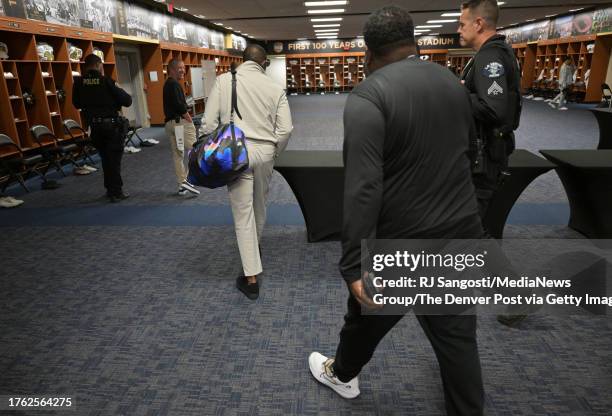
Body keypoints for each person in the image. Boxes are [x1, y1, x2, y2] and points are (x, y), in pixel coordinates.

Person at [308, 6, 485, 415]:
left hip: (403, 245)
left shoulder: (369, 95)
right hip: (460, 234)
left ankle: (343, 374)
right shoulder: (452, 82)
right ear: (415, 43)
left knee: (366, 318)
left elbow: (363, 188)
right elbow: (466, 153)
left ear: (368, 53)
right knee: (458, 342)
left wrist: (353, 263)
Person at [203, 44, 293, 300]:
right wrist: (274, 152)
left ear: (241, 61)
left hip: (235, 153)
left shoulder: (223, 81)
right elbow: (285, 129)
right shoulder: (275, 88)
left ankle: (251, 278)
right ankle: (254, 249)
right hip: (264, 152)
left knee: (243, 214)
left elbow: (208, 123)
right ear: (264, 63)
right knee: (260, 207)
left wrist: (213, 148)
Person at [458, 0, 522, 221]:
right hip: (490, 153)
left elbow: (494, 109)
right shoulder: (496, 52)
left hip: (484, 159)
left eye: (462, 24)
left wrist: (459, 93)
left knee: (471, 230)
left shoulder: (490, 56)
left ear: (478, 23)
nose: (458, 30)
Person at [73, 54, 132, 203]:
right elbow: (127, 100)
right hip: (111, 126)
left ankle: (109, 189)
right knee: (114, 160)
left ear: (86, 66)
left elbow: (77, 103)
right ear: (99, 65)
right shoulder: (106, 81)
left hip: (94, 127)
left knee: (105, 158)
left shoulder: (79, 82)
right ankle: (116, 192)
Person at [163, 59, 200, 196]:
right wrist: (189, 118)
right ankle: (189, 181)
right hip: (180, 123)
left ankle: (182, 183)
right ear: (171, 69)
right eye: (180, 68)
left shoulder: (167, 84)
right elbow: (179, 105)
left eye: (184, 68)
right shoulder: (174, 84)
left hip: (170, 124)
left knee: (178, 155)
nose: (183, 71)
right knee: (195, 151)